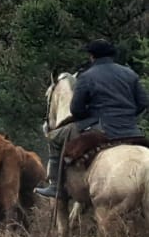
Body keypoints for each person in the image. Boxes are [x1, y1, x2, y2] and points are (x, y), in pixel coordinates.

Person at [35, 38, 149, 198]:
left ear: (91, 56)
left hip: (101, 129)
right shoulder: (130, 74)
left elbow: (76, 109)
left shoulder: (86, 77)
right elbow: (143, 103)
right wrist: (127, 115)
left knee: (54, 138)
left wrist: (88, 116)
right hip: (131, 129)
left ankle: (56, 185)